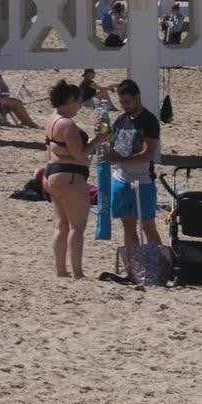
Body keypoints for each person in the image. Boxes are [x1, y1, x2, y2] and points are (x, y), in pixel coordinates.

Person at [43, 80, 109, 279]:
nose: (80, 106)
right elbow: (79, 155)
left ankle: (61, 270)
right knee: (77, 227)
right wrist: (97, 141)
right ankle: (78, 273)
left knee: (62, 224)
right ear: (70, 100)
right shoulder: (67, 124)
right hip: (70, 176)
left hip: (53, 174)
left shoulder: (51, 120)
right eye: (79, 102)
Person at [103, 80, 162, 249]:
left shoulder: (149, 121)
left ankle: (158, 267)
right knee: (128, 227)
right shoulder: (121, 120)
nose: (124, 106)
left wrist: (118, 159)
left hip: (142, 182)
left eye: (127, 101)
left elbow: (147, 154)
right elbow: (110, 144)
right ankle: (135, 268)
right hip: (120, 181)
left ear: (137, 97)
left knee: (148, 228)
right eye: (121, 102)